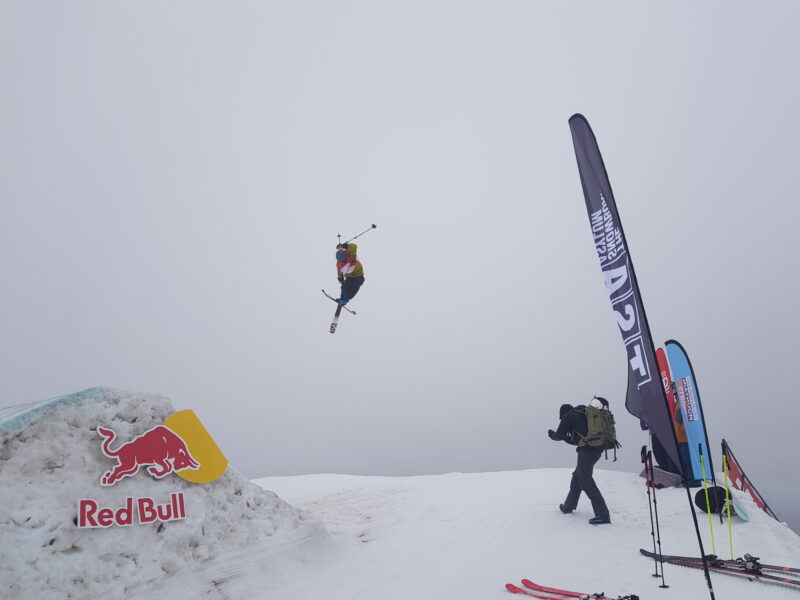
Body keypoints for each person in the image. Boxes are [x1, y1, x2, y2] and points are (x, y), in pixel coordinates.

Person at [548, 398, 611, 525]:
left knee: (585, 480)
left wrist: (552, 434)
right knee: (577, 477)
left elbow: (559, 436)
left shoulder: (568, 416)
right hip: (596, 450)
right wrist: (566, 438)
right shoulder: (582, 413)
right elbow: (577, 440)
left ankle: (603, 515)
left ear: (563, 414)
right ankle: (568, 506)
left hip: (587, 451)